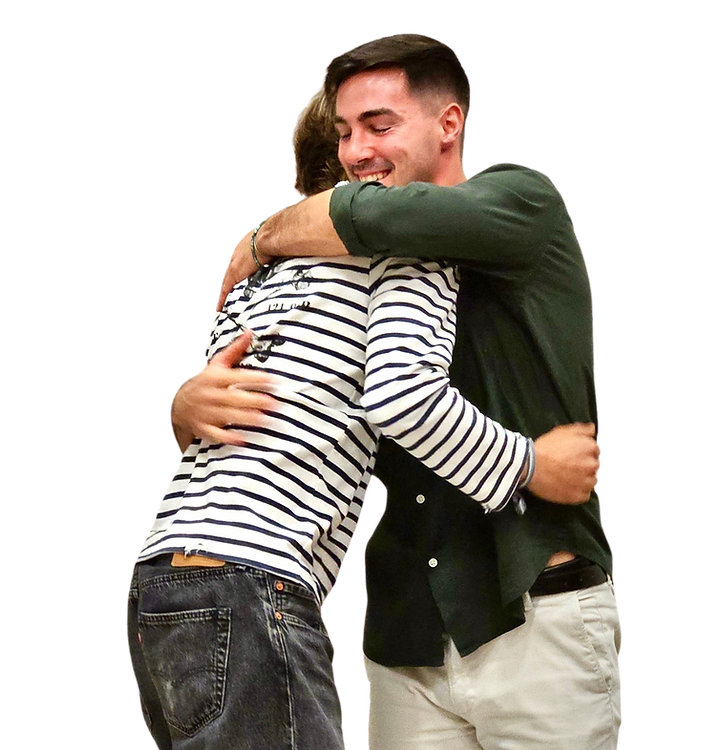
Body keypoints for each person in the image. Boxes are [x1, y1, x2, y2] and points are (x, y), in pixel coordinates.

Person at [125, 83, 602, 750]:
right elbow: (401, 398)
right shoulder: (394, 255)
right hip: (259, 580)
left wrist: (185, 401)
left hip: (162, 579)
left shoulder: (255, 275)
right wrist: (529, 464)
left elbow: (233, 408)